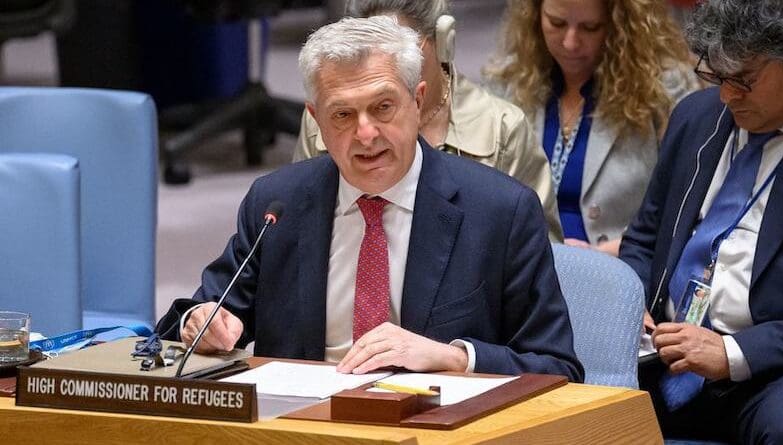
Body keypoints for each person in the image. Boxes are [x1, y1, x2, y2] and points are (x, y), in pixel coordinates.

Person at [156, 16, 583, 380]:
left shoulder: (499, 212)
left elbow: (557, 366)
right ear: (315, 120)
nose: (366, 134)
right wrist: (199, 324)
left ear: (417, 102)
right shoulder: (276, 205)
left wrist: (454, 357)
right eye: (343, 114)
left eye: (383, 107)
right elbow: (195, 317)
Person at [619, 0, 783, 442]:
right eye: (718, 77)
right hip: (662, 354)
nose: (726, 96)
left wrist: (733, 351)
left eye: (743, 80)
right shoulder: (696, 118)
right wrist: (632, 303)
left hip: (772, 370)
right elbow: (644, 236)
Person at [293, 0, 563, 242]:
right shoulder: (326, 119)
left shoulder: (501, 129)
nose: (391, 63)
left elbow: (537, 257)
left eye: (402, 48)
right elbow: (302, 223)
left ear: (444, 43)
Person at [485, 0, 698, 256]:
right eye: (557, 23)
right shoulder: (510, 81)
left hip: (622, 268)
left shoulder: (665, 90)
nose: (570, 43)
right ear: (533, 15)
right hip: (527, 267)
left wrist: (604, 254)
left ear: (620, 25)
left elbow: (687, 211)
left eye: (590, 27)